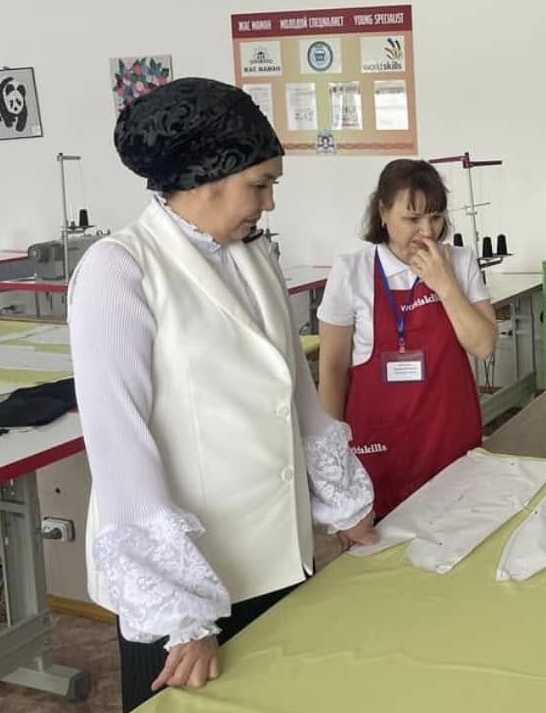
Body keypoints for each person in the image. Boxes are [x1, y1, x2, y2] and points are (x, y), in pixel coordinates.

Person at [68, 77, 376, 712]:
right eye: (259, 185)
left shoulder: (252, 254)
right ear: (207, 175)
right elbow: (120, 446)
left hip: (278, 555)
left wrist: (346, 505)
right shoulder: (120, 269)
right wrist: (182, 613)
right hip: (192, 586)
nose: (268, 202)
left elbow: (296, 394)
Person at [317, 159, 497, 517]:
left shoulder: (460, 262)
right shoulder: (351, 271)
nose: (427, 231)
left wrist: (445, 284)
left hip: (448, 435)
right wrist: (334, 470)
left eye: (436, 217)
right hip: (378, 443)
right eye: (412, 219)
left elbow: (484, 345)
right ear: (382, 212)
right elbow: (333, 371)